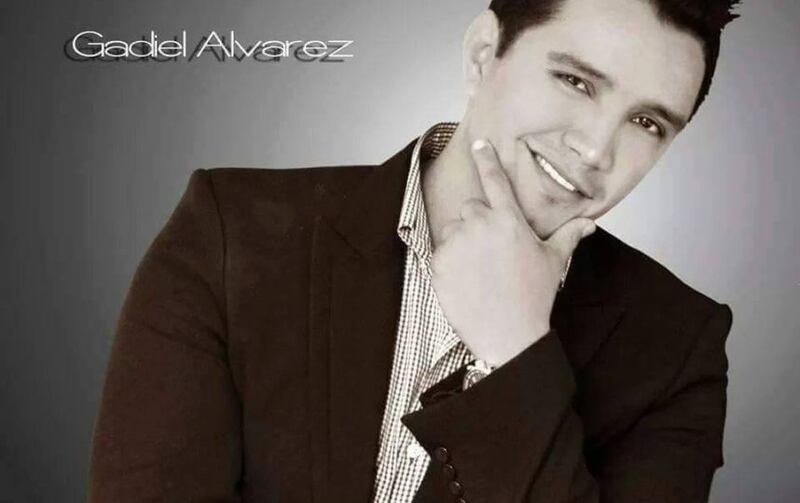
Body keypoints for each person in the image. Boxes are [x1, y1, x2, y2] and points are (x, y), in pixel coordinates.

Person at [88, 0, 741, 501]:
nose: (597, 149)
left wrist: (517, 354)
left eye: (647, 123)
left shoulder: (677, 350)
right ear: (483, 54)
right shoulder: (231, 235)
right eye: (575, 81)